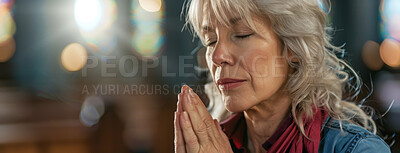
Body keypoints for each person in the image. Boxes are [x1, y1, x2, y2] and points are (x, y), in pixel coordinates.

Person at [174, 0, 392, 152]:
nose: (217, 56)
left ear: (293, 48)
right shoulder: (207, 145)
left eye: (242, 34)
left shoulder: (356, 149)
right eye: (211, 41)